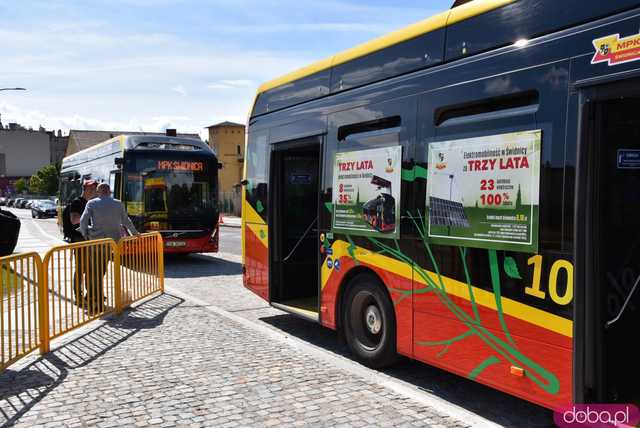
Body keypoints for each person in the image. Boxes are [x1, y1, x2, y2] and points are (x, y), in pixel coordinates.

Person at [79, 183, 138, 313]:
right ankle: (98, 299)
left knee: (94, 272)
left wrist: (85, 233)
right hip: (112, 244)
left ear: (98, 191)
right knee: (102, 270)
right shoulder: (118, 203)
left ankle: (95, 301)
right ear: (109, 191)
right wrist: (135, 233)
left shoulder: (92, 203)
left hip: (96, 242)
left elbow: (83, 221)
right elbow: (126, 220)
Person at [62, 179, 98, 307]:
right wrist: (88, 217)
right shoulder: (77, 202)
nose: (94, 191)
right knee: (80, 268)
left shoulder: (92, 203)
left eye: (95, 189)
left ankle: (91, 295)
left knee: (90, 269)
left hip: (89, 239)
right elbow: (73, 220)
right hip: (79, 239)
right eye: (92, 189)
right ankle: (78, 296)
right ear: (86, 189)